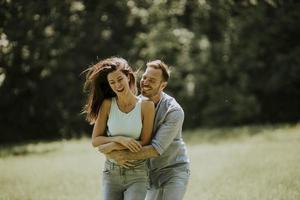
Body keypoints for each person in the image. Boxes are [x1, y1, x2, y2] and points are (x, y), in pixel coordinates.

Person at [100, 60, 190, 200]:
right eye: (144, 77)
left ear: (163, 85)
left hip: (172, 171)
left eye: (152, 80)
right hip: (146, 172)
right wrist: (112, 147)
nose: (145, 82)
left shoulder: (174, 112)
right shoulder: (136, 104)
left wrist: (119, 155)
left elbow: (155, 149)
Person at [82, 57, 155, 200]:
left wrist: (112, 147)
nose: (117, 85)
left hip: (138, 173)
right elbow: (96, 140)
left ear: (128, 77)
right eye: (112, 82)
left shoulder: (146, 106)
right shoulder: (107, 104)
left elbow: (146, 141)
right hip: (111, 173)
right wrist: (119, 140)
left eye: (120, 79)